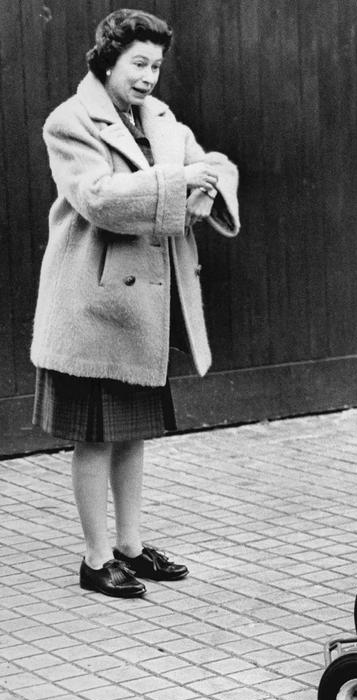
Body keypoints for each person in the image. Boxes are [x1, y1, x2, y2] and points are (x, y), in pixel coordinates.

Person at [30, 9, 240, 598]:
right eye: (139, 64)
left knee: (131, 433)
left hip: (141, 308)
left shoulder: (161, 119)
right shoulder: (70, 122)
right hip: (91, 306)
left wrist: (206, 190)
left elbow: (215, 165)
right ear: (108, 60)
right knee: (95, 437)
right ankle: (96, 560)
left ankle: (129, 545)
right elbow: (98, 199)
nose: (149, 77)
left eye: (156, 66)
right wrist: (182, 185)